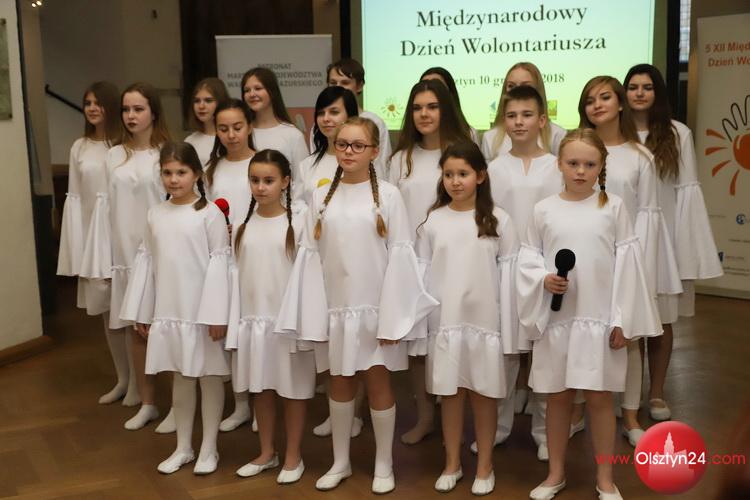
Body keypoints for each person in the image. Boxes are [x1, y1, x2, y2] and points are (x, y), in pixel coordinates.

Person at [275, 117, 437, 494]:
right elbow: (311, 258)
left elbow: (400, 256)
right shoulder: (321, 197)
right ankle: (340, 461)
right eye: (342, 144)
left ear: (374, 151)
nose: (348, 151)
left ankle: (384, 463)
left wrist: (393, 318)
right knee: (339, 382)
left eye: (358, 145)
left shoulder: (389, 197)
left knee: (378, 382)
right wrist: (314, 316)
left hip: (375, 309)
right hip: (336, 308)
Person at [519, 128, 661, 500]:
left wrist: (622, 319)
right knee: (558, 399)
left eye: (589, 164)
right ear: (559, 164)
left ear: (601, 166)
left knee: (599, 400)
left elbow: (628, 265)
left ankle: (605, 478)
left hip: (599, 320)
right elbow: (528, 257)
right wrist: (543, 279)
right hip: (557, 322)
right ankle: (555, 474)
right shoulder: (543, 210)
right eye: (573, 163)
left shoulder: (613, 207)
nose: (580, 171)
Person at [120, 142, 231, 475]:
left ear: (196, 174)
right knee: (181, 378)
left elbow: (220, 264)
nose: (173, 179)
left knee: (209, 377)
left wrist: (216, 314)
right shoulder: (156, 214)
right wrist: (143, 310)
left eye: (181, 172)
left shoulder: (209, 214)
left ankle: (209, 448)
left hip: (202, 313)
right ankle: (183, 447)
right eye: (167, 173)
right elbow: (147, 262)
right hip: (170, 311)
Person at [580, 76, 679, 446]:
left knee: (630, 338)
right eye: (590, 99)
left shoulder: (640, 156)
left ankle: (631, 413)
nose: (597, 105)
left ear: (620, 103)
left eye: (605, 97)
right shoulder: (575, 147)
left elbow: (648, 218)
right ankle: (576, 411)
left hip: (625, 262)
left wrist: (639, 271)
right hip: (585, 261)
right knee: (582, 335)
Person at [418, 141, 518, 496]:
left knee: (483, 395)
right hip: (446, 322)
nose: (455, 181)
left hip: (484, 322)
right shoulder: (433, 221)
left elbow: (509, 278)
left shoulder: (499, 220)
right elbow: (422, 274)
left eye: (463, 173)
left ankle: (485, 465)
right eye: (448, 174)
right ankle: (452, 463)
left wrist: (508, 327)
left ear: (480, 176)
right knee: (451, 394)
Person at [624, 64, 723, 422]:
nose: (639, 93)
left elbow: (687, 193)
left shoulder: (678, 133)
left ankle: (656, 393)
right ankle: (625, 395)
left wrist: (684, 250)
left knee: (662, 321)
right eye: (633, 87)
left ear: (658, 93)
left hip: (662, 241)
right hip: (624, 240)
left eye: (647, 87)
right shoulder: (616, 133)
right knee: (626, 321)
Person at [484, 85, 570, 462]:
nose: (519, 122)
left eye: (527, 115)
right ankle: (498, 427)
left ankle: (544, 432)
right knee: (505, 354)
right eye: (512, 116)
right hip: (504, 270)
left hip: (544, 271)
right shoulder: (493, 168)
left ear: (542, 120)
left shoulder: (556, 165)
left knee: (544, 353)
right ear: (504, 121)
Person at [388, 79, 471, 445]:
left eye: (432, 106)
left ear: (446, 110)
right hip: (413, 262)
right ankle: (425, 417)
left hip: (454, 260)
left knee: (453, 338)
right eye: (418, 107)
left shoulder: (460, 152)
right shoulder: (400, 159)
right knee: (418, 345)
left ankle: (457, 419)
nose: (424, 114)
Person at [226, 149, 315, 484]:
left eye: (269, 180)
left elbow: (307, 276)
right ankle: (267, 452)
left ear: (286, 182)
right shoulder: (242, 227)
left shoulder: (299, 223)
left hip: (287, 324)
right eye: (254, 180)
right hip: (254, 321)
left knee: (293, 391)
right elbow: (236, 275)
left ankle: (293, 455)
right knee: (260, 389)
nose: (261, 187)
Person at [94, 82, 174, 432]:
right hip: (126, 254)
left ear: (153, 112)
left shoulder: (166, 153)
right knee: (136, 330)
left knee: (166, 329)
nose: (131, 116)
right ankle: (147, 402)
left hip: (159, 252)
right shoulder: (114, 155)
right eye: (126, 109)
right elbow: (106, 209)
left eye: (138, 109)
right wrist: (104, 258)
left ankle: (178, 406)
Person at [57, 81, 137, 406]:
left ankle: (139, 385)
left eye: (98, 103)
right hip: (95, 242)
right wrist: (78, 251)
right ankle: (123, 379)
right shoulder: (79, 147)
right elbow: (76, 200)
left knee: (129, 314)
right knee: (107, 313)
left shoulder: (123, 146)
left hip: (122, 237)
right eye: (87, 102)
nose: (91, 108)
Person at [203, 98, 257, 432]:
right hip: (224, 259)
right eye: (223, 129)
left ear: (249, 126)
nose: (231, 135)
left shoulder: (261, 162)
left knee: (255, 328)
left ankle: (262, 401)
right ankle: (241, 404)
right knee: (232, 331)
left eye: (237, 127)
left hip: (256, 256)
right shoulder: (212, 169)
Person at [481, 62, 566, 162]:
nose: (518, 91)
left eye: (526, 86)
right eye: (511, 86)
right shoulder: (490, 137)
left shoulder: (557, 134)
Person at [293, 86, 359, 210]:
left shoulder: (363, 161)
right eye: (321, 113)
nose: (326, 119)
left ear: (350, 116)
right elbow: (297, 204)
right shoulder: (307, 165)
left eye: (334, 112)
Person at [324, 58, 392, 172]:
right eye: (333, 83)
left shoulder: (374, 121)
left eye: (345, 83)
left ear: (359, 86)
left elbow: (382, 166)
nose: (338, 87)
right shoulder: (323, 123)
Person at [241, 67, 308, 176]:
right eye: (247, 90)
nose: (252, 94)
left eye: (258, 88)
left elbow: (301, 180)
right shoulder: (241, 133)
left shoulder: (293, 134)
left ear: (272, 92)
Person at [419, 66, 480, 145]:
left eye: (437, 86)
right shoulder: (408, 141)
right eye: (425, 85)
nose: (430, 90)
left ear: (450, 93)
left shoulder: (469, 134)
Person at [185, 77, 229, 168]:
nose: (201, 106)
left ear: (221, 102)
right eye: (197, 101)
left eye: (208, 100)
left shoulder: (232, 138)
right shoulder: (190, 141)